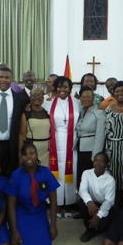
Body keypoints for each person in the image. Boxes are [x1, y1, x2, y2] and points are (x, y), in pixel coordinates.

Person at [6, 142, 59, 245]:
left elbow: (53, 201)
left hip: (39, 211)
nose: (29, 157)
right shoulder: (16, 175)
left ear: (37, 155)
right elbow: (11, 205)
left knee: (46, 243)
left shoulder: (46, 172)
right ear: (21, 157)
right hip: (23, 212)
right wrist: (14, 230)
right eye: (25, 154)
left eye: (32, 153)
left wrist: (53, 225)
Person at [0, 67, 30, 177]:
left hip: (11, 145)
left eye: (7, 77)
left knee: (9, 176)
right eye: (1, 77)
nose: (4, 80)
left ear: (11, 79)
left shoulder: (21, 99)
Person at [43, 76, 81, 219]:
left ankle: (69, 203)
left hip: (72, 142)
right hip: (55, 141)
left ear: (70, 88)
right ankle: (57, 205)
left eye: (65, 87)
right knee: (56, 173)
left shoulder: (78, 103)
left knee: (72, 170)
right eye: (59, 86)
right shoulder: (49, 104)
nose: (62, 89)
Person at [78, 152, 116, 242]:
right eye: (96, 160)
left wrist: (98, 216)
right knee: (82, 204)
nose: (98, 163)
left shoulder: (110, 180)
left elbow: (109, 201)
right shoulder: (86, 173)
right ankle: (90, 230)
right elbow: (83, 190)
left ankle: (100, 227)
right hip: (91, 203)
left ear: (107, 164)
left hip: (103, 205)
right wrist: (89, 202)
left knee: (102, 228)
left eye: (102, 161)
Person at [74, 86, 106, 190]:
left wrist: (95, 157)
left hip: (91, 150)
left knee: (90, 179)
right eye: (82, 97)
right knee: (81, 177)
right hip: (80, 148)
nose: (85, 99)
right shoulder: (81, 111)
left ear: (93, 98)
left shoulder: (99, 113)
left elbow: (100, 136)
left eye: (88, 97)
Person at [19, 86, 50, 167]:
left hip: (46, 152)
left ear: (43, 97)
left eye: (40, 95)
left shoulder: (47, 112)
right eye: (34, 95)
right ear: (30, 97)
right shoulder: (26, 113)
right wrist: (21, 155)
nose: (37, 97)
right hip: (31, 151)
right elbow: (22, 136)